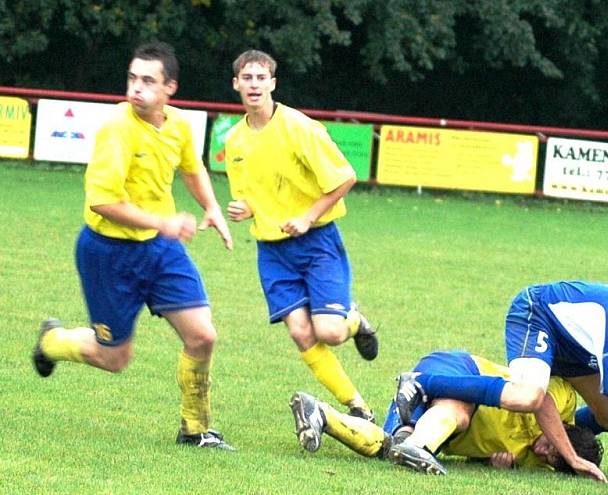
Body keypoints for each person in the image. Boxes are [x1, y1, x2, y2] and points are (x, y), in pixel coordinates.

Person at [31, 41, 235, 450]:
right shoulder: (116, 129)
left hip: (160, 250)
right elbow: (102, 202)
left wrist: (211, 207)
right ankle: (52, 342)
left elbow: (192, 169)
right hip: (108, 254)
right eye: (132, 78)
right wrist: (164, 221)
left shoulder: (178, 125)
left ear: (169, 88)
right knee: (114, 358)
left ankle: (195, 429)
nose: (136, 88)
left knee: (202, 336)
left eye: (147, 80)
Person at [397, 281, 608, 495]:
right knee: (529, 396)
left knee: (602, 415)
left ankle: (564, 439)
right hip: (538, 314)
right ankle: (421, 381)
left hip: (577, 349)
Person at [224, 49, 377, 422]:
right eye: (248, 78)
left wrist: (307, 217)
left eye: (262, 78)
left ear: (273, 83)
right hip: (272, 251)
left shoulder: (300, 128)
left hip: (317, 241)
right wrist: (245, 209)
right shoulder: (234, 141)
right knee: (300, 332)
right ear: (236, 84)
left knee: (330, 332)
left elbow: (345, 177)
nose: (254, 85)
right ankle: (358, 406)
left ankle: (354, 321)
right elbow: (249, 196)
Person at [289, 350, 603, 477]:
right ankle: (419, 421)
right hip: (456, 370)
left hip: (436, 422)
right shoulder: (563, 401)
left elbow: (480, 449)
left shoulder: (535, 462)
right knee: (460, 412)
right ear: (561, 431)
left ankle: (321, 415)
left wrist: (488, 462)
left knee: (388, 447)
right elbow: (544, 398)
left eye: (548, 460)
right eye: (551, 446)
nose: (541, 452)